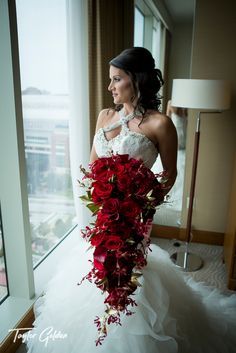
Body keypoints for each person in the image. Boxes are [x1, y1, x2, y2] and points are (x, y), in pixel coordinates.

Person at [26, 47, 236, 353]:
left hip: (135, 217)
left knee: (130, 274)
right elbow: (93, 167)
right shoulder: (104, 116)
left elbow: (169, 175)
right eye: (110, 80)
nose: (110, 87)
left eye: (116, 79)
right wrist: (101, 197)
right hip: (104, 213)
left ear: (135, 80)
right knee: (98, 268)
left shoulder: (160, 124)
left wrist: (144, 201)